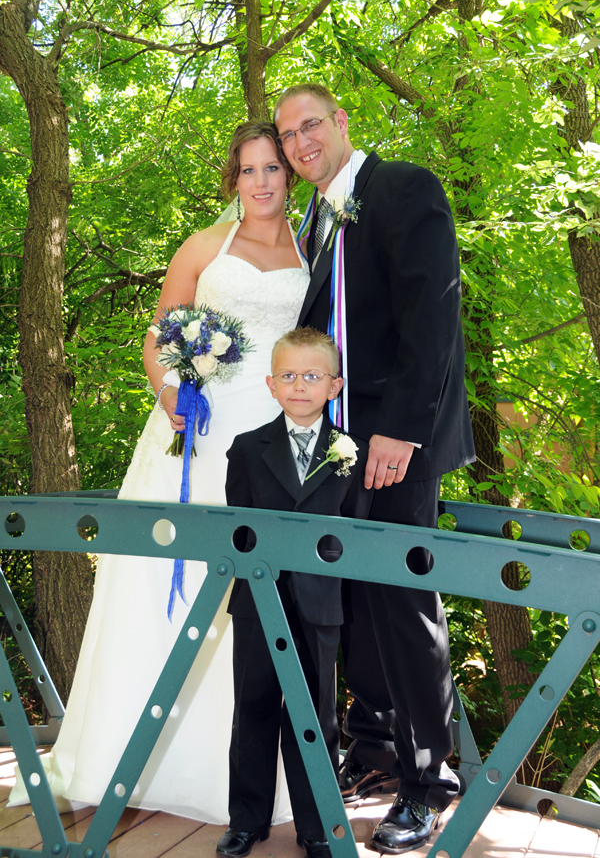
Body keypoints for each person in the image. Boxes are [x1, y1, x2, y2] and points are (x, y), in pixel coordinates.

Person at [8, 121, 309, 824]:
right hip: (196, 439)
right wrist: (170, 391)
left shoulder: (311, 251)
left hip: (271, 445)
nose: (261, 182)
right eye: (248, 170)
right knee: (164, 593)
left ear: (289, 178)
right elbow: (159, 337)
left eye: (272, 169)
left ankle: (242, 777)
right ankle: (125, 761)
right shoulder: (205, 247)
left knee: (258, 601)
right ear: (232, 180)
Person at [274, 84, 476, 853]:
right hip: (338, 448)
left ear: (343, 123)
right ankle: (375, 750)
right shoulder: (317, 223)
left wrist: (401, 431)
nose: (299, 143)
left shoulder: (402, 187)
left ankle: (431, 784)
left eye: (310, 125)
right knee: (355, 601)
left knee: (400, 600)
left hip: (397, 442)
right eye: (289, 135)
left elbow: (433, 316)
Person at [218, 327, 373, 858]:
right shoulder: (246, 449)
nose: (300, 386)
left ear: (335, 386)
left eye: (312, 376)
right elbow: (237, 531)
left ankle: (316, 825)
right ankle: (246, 819)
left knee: (316, 713)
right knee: (254, 704)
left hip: (321, 602)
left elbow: (356, 533)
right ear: (270, 384)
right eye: (289, 375)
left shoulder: (350, 452)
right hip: (259, 601)